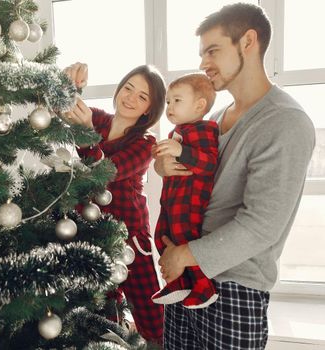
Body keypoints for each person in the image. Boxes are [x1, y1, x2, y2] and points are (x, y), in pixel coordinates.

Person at [154, 3, 315, 349]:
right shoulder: (210, 119)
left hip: (234, 289)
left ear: (248, 41)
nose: (202, 64)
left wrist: (183, 255)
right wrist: (162, 167)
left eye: (212, 50)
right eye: (201, 53)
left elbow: (262, 224)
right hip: (187, 276)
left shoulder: (284, 121)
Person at [64, 62, 166, 344]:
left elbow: (107, 171)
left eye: (142, 96)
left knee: (149, 311)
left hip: (130, 237)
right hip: (91, 231)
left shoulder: (146, 142)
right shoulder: (96, 118)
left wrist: (85, 135)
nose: (131, 98)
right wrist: (69, 85)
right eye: (128, 88)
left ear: (149, 108)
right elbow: (60, 112)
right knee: (102, 308)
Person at [151, 73, 219, 309]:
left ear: (199, 105)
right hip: (171, 200)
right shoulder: (177, 132)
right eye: (168, 101)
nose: (169, 107)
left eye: (177, 100)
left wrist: (181, 151)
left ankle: (203, 287)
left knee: (184, 240)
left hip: (189, 202)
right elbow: (167, 164)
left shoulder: (206, 129)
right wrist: (160, 159)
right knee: (161, 234)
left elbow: (209, 163)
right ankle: (178, 283)